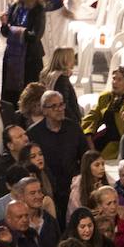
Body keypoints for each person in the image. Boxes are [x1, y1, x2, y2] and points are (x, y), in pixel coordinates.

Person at [28, 89, 86, 225]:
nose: (59, 109)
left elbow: (85, 155)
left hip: (73, 188)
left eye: (61, 105)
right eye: (53, 106)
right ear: (44, 110)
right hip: (47, 190)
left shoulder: (73, 128)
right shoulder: (33, 133)